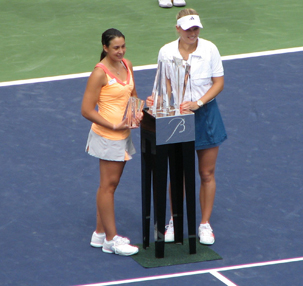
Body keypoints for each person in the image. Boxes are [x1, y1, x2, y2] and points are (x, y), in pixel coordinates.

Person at [146, 8, 227, 245]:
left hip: (205, 116)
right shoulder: (166, 51)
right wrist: (164, 101)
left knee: (206, 173)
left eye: (196, 28)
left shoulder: (210, 48)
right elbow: (165, 84)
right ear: (178, 28)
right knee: (178, 173)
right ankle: (174, 221)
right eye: (188, 28)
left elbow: (218, 82)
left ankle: (204, 224)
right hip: (177, 118)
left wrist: (198, 103)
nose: (193, 33)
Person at [81, 28, 142, 256]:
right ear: (105, 48)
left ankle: (98, 233)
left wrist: (135, 114)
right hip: (107, 136)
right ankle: (110, 240)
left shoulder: (127, 64)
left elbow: (133, 94)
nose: (120, 51)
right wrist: (114, 124)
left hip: (124, 135)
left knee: (110, 185)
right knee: (107, 187)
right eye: (115, 47)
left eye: (123, 46)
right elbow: (86, 110)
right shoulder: (99, 73)